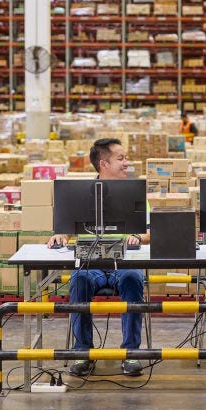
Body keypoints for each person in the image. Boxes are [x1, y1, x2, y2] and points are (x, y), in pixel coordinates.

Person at [47, 138, 150, 377]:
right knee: (79, 280)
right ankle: (83, 352)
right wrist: (59, 235)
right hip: (89, 263)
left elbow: (149, 231)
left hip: (122, 263)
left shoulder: (135, 194)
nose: (127, 163)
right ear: (103, 163)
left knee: (133, 279)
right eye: (121, 159)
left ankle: (131, 354)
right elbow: (67, 226)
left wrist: (138, 237)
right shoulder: (81, 195)